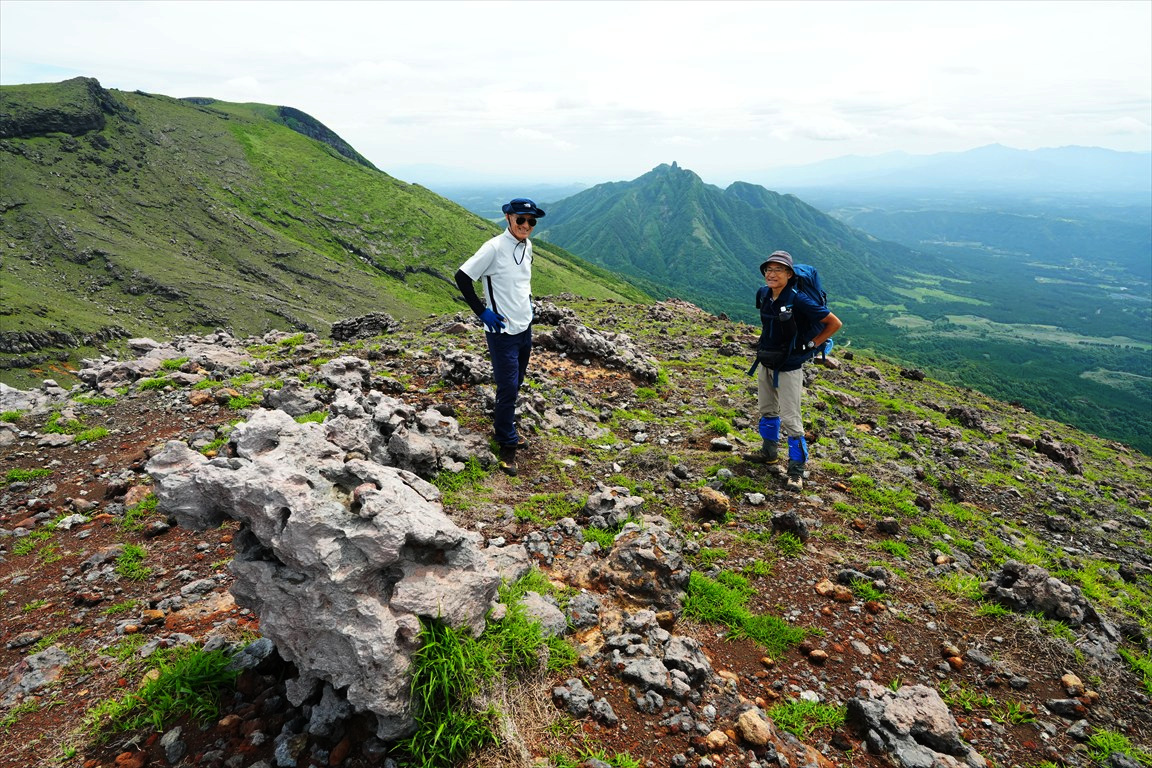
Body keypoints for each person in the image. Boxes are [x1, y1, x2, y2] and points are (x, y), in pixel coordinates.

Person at [454, 198, 545, 476]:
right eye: (521, 219)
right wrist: (482, 312)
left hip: (524, 327)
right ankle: (506, 443)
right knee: (507, 387)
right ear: (508, 218)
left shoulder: (527, 245)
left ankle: (505, 427)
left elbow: (521, 281)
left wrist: (528, 304)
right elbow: (462, 277)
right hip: (502, 331)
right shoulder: (493, 248)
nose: (526, 225)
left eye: (531, 221)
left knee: (516, 382)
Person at [753, 250, 842, 491]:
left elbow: (834, 323)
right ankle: (769, 453)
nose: (772, 274)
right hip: (767, 361)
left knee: (791, 419)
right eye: (768, 269)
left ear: (789, 274)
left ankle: (796, 472)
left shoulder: (799, 299)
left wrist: (812, 344)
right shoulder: (764, 294)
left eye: (778, 270)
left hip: (789, 367)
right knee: (767, 411)